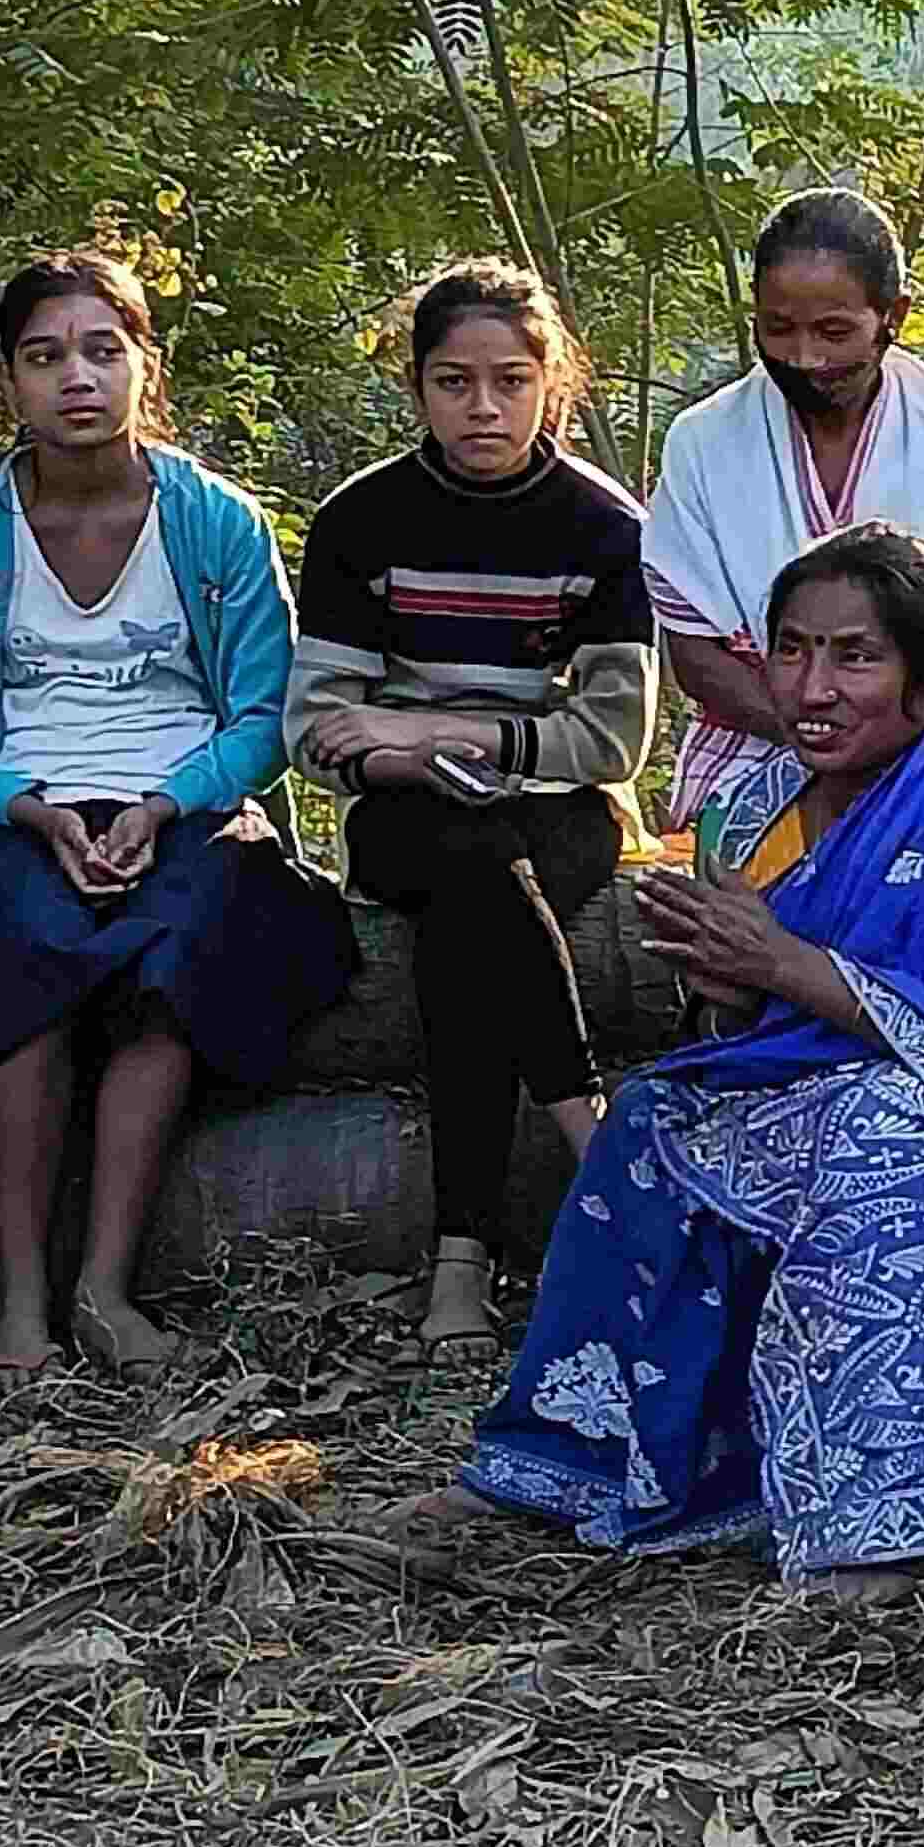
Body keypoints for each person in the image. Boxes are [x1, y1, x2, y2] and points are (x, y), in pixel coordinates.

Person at [457, 528, 924, 1580]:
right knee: (650, 1119)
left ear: (921, 670)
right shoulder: (760, 807)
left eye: (854, 656)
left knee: (873, 1132)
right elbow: (750, 1034)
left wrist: (787, 965)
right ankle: (598, 1464)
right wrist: (729, 997)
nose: (813, 687)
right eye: (791, 651)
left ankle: (898, 1512)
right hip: (806, 1096)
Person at [0, 252, 357, 1384]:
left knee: (183, 944)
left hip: (183, 804)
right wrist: (22, 808)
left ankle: (104, 1288)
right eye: (44, 356)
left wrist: (170, 802)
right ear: (8, 382)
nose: (76, 378)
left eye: (101, 348)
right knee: (21, 947)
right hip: (16, 809)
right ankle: (19, 1302)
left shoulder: (213, 522)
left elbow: (267, 714)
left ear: (144, 367)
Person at [296, 263, 664, 1349]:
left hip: (560, 806)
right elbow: (317, 727)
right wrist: (400, 758)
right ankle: (593, 1145)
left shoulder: (601, 525)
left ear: (554, 382)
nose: (483, 407)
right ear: (417, 389)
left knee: (476, 904)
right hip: (404, 813)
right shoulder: (362, 519)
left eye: (510, 380)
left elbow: (610, 738)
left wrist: (425, 731)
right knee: (466, 865)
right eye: (454, 382)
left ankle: (461, 1261)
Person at [649, 190, 924, 864]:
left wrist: (876, 749)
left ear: (893, 318)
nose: (803, 357)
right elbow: (697, 656)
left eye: (833, 332)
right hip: (757, 741)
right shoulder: (704, 442)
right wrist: (810, 732)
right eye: (777, 328)